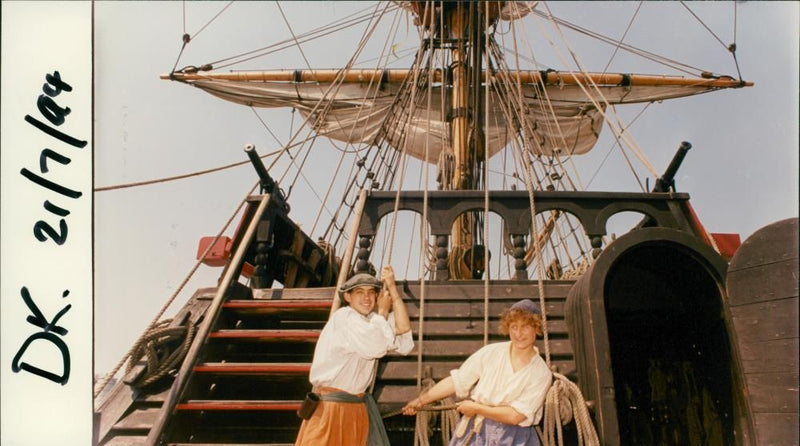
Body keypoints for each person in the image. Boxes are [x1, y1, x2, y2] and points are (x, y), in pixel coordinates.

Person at [402, 299, 552, 446]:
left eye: (525, 327)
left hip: (515, 437)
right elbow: (457, 381)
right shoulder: (491, 352)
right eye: (514, 327)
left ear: (536, 328)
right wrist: (421, 401)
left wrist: (477, 408)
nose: (519, 334)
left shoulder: (541, 373)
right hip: (475, 431)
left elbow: (515, 416)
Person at [295, 265, 413, 446]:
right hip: (331, 409)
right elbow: (376, 345)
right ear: (348, 297)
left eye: (371, 292)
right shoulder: (344, 317)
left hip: (355, 407)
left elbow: (403, 329)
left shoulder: (369, 322)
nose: (367, 297)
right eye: (359, 292)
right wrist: (382, 311)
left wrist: (393, 291)